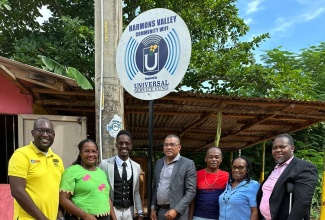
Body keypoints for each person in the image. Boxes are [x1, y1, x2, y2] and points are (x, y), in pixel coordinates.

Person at [8, 117, 64, 220]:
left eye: (49, 131)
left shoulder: (57, 160)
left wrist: (59, 214)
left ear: (54, 135)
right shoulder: (21, 155)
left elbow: (57, 192)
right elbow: (17, 191)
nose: (45, 134)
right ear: (33, 133)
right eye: (41, 130)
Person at [256, 133, 318, 220]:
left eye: (282, 147)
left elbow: (302, 202)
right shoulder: (275, 169)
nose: (277, 150)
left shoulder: (305, 168)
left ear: (292, 148)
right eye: (274, 148)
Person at [59, 139, 115, 220]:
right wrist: (85, 216)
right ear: (80, 154)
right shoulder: (72, 171)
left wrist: (114, 218)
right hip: (80, 218)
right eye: (86, 151)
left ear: (97, 153)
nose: (91, 154)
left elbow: (106, 198)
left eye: (93, 151)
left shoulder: (101, 172)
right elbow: (63, 199)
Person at [99, 130, 144, 220]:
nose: (124, 146)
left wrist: (140, 212)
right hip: (112, 209)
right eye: (120, 143)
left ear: (131, 146)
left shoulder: (136, 166)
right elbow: (100, 189)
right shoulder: (105, 164)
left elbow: (136, 191)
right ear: (116, 145)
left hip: (129, 211)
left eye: (127, 143)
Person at [151, 134, 197, 220]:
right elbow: (155, 187)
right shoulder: (159, 163)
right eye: (166, 144)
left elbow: (191, 191)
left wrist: (176, 210)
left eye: (172, 144)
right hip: (160, 212)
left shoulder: (187, 164)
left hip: (178, 214)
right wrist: (152, 207)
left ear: (179, 147)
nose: (168, 147)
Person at [189, 147, 228, 220]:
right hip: (198, 216)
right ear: (205, 159)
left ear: (221, 159)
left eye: (217, 157)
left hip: (219, 217)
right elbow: (192, 199)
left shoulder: (227, 176)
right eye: (210, 157)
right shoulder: (196, 175)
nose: (214, 160)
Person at [219, 156, 260, 220]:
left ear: (247, 169)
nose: (236, 170)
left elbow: (255, 212)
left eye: (241, 167)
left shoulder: (253, 185)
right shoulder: (228, 185)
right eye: (234, 167)